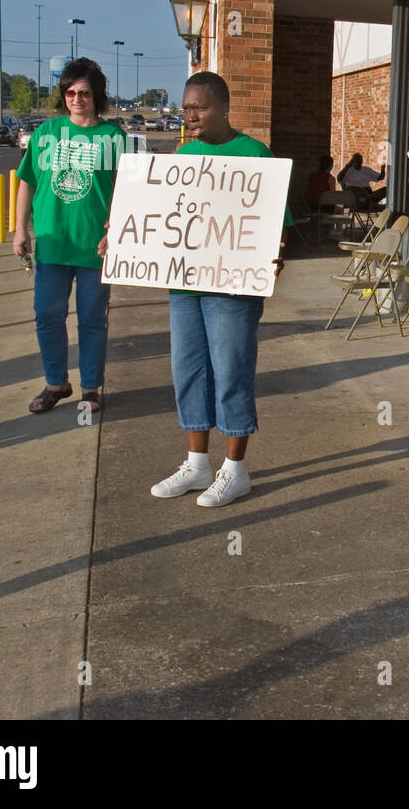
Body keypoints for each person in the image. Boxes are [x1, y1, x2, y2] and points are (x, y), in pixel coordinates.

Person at [138, 71, 291, 507]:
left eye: (199, 107)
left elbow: (276, 226)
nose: (190, 115)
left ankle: (236, 470)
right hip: (185, 285)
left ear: (224, 107)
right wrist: (125, 230)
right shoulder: (183, 155)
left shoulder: (255, 154)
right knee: (187, 371)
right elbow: (162, 217)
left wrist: (275, 251)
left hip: (232, 286)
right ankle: (196, 463)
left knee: (231, 371)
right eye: (186, 108)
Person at [14, 58, 126, 415]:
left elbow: (129, 189)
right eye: (70, 92)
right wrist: (20, 229)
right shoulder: (46, 134)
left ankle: (91, 389)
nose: (77, 98)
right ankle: (56, 383)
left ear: (97, 96)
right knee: (47, 315)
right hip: (52, 244)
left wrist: (116, 230)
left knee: (92, 320)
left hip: (96, 247)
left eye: (85, 93)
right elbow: (27, 181)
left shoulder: (114, 137)